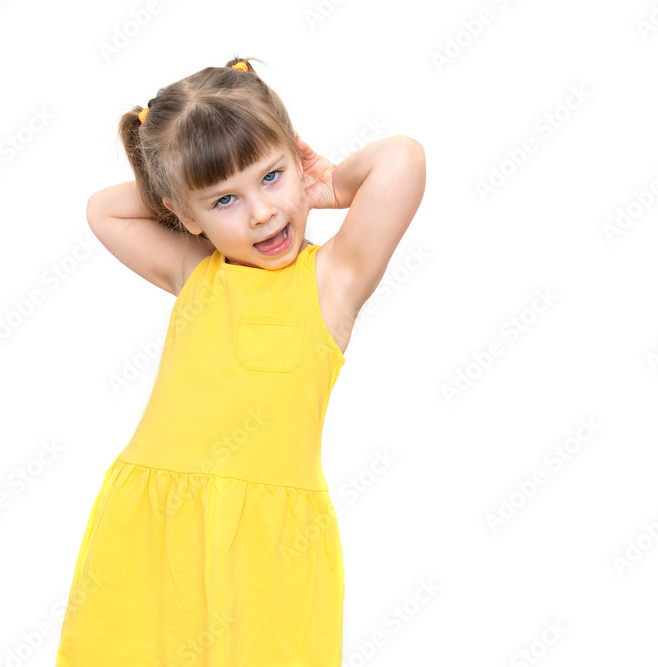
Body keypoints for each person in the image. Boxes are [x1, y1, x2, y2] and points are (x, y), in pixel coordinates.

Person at [55, 55, 426, 666]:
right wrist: (183, 192)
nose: (260, 212)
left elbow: (403, 159)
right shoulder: (193, 270)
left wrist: (328, 181)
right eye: (225, 199)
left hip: (267, 541)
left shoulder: (332, 279)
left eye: (272, 177)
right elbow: (104, 209)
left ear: (295, 157)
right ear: (180, 214)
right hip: (151, 526)